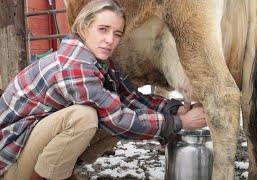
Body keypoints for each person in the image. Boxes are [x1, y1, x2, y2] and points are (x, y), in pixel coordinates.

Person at [0, 0, 207, 179]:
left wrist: (174, 110)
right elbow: (118, 119)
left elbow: (131, 99)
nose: (110, 40)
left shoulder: (100, 62)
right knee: (85, 117)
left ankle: (62, 170)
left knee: (119, 115)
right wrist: (181, 123)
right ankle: (49, 177)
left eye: (117, 34)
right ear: (82, 28)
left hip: (29, 147)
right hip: (10, 164)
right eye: (103, 29)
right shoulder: (76, 67)